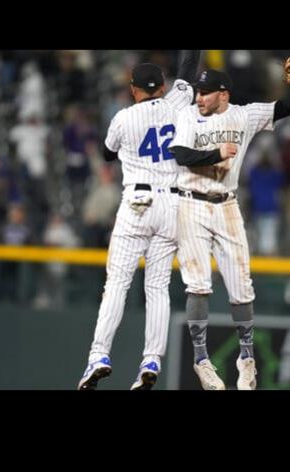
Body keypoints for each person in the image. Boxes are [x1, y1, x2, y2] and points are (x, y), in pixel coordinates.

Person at [168, 58, 290, 390]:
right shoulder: (188, 115)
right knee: (198, 284)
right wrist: (217, 154)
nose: (199, 97)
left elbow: (286, 108)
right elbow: (181, 154)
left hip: (227, 204)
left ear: (223, 94)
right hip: (191, 202)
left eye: (205, 93)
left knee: (242, 287)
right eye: (198, 92)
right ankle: (201, 359)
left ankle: (246, 359)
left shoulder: (243, 116)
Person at [77, 50, 202, 390]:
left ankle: (99, 356)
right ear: (162, 87)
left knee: (117, 283)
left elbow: (106, 153)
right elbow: (189, 68)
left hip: (138, 203)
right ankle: (151, 360)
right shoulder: (178, 103)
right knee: (158, 287)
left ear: (134, 90)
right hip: (173, 205)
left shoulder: (123, 118)